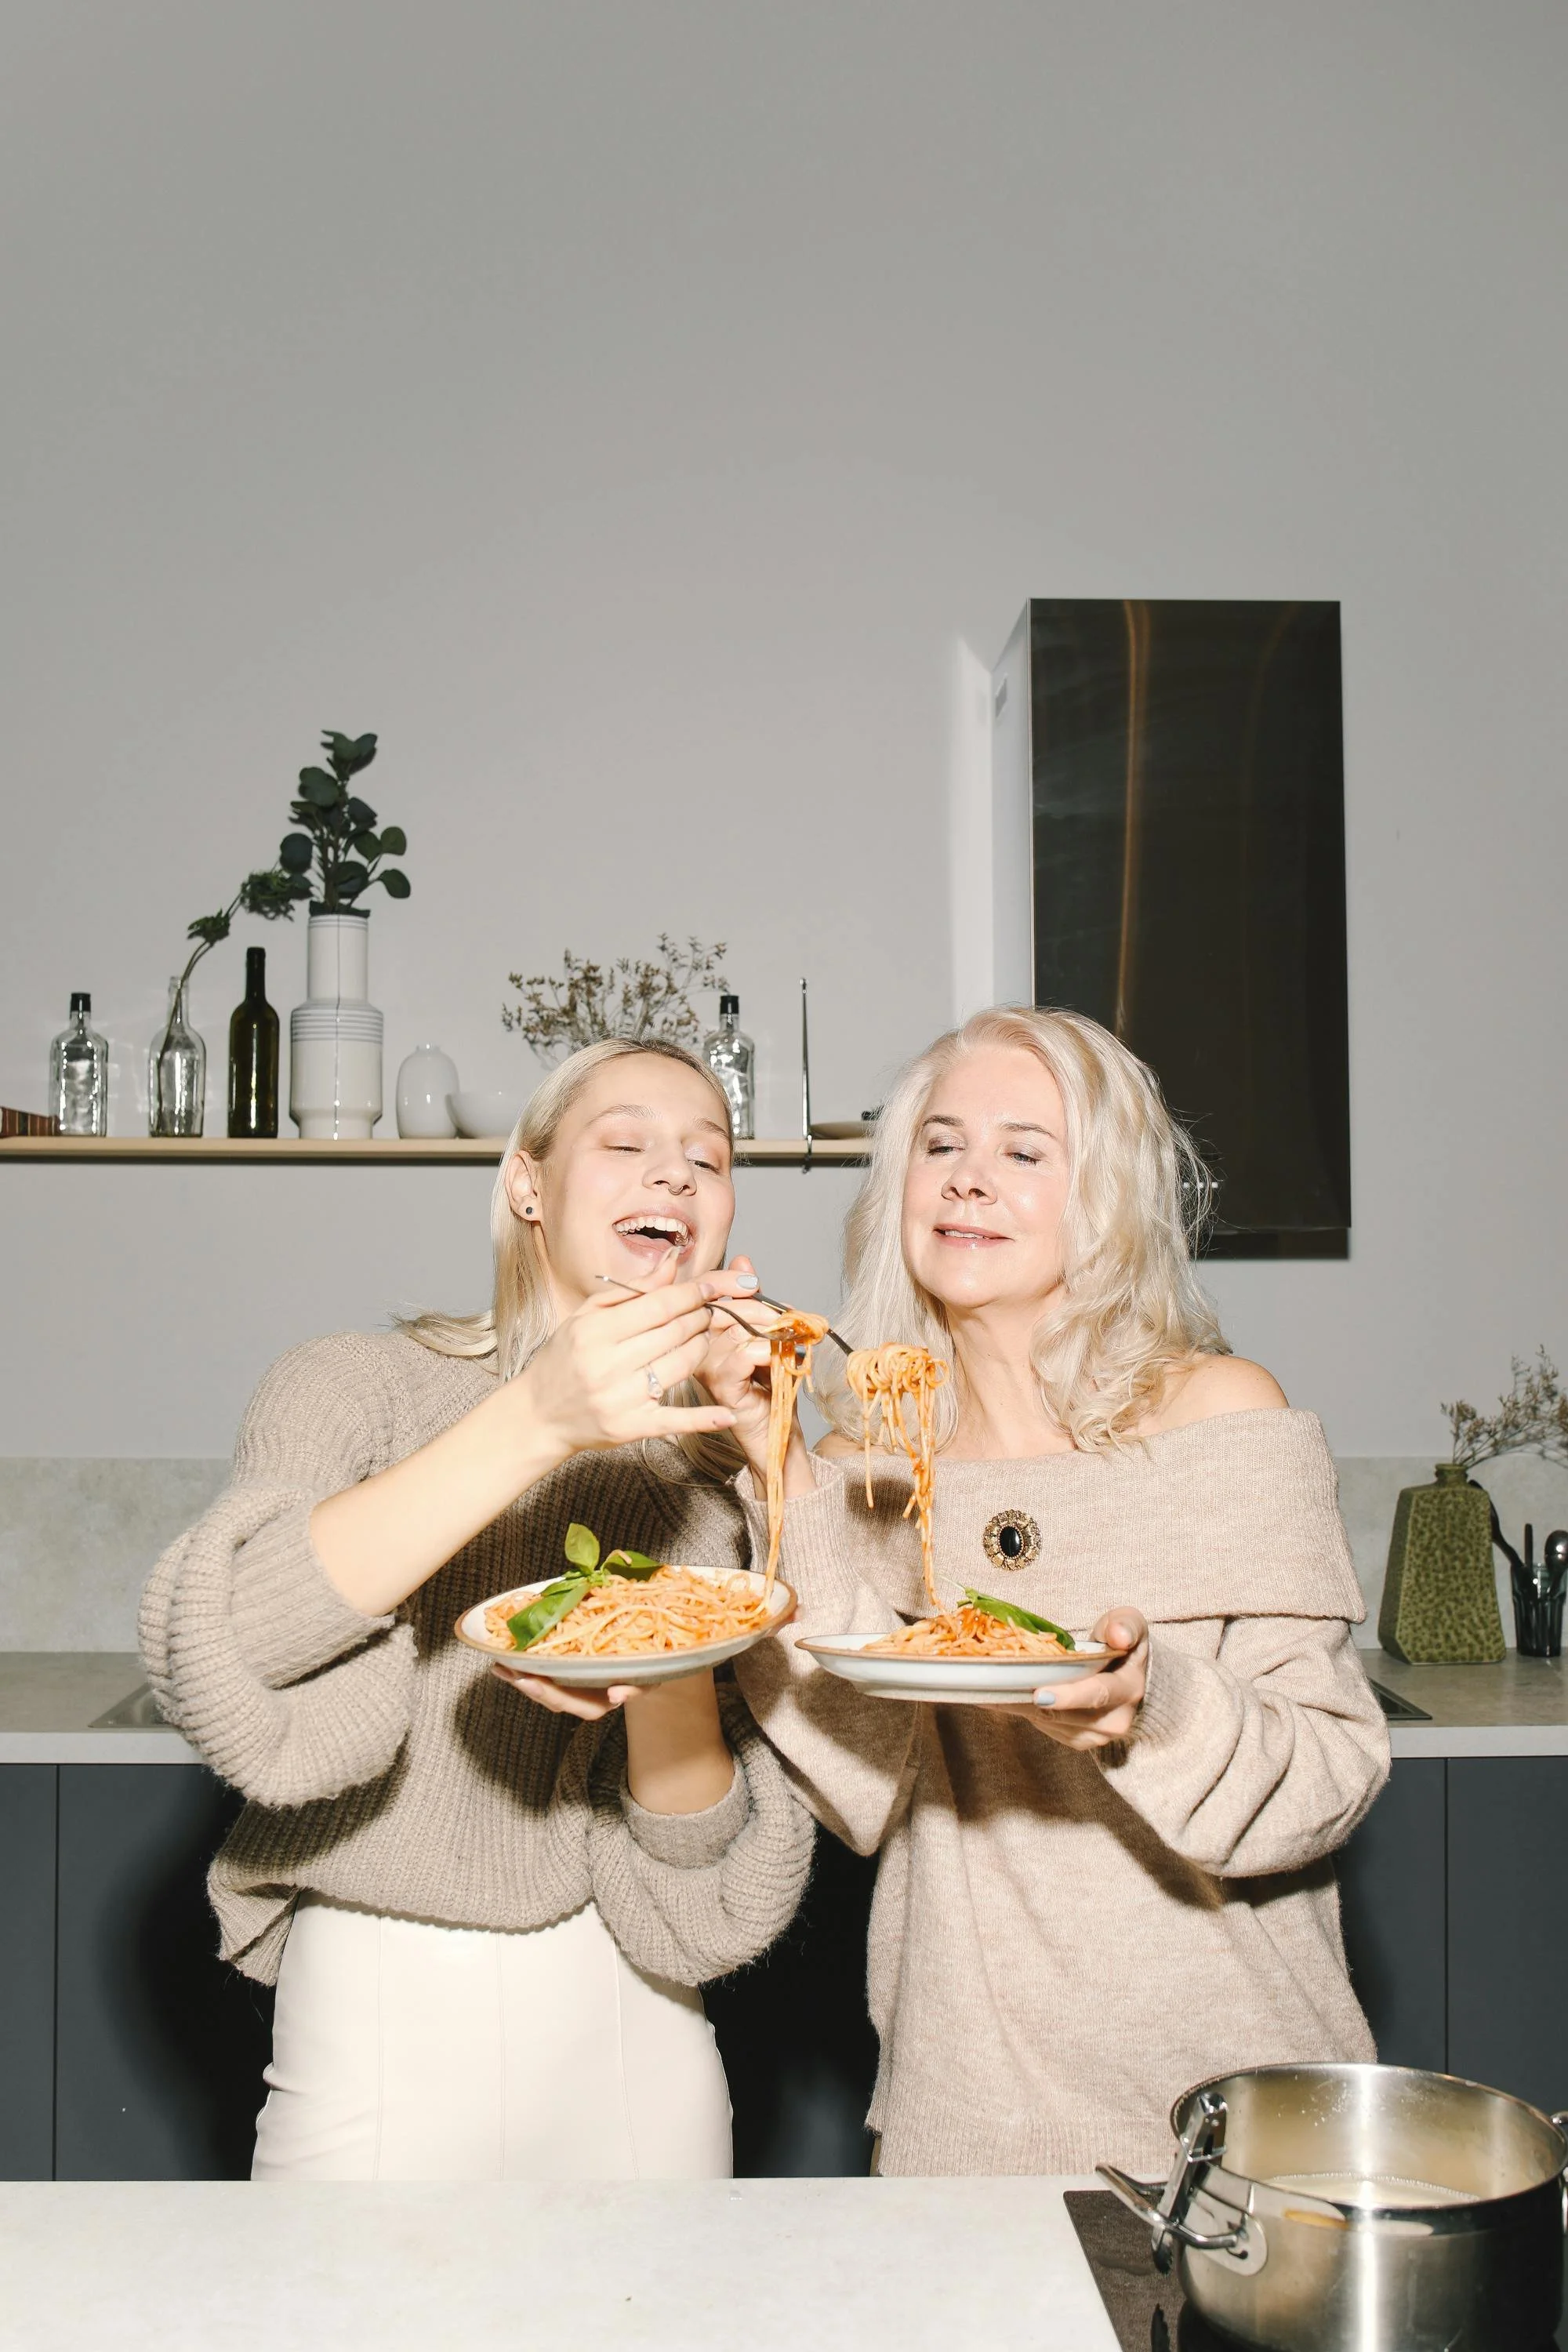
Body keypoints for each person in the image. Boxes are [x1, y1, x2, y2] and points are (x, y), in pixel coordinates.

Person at [714, 1006, 1389, 2179]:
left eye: (1025, 1151)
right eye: (941, 1144)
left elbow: (1329, 1776)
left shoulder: (1221, 1413)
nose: (970, 1180)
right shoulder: (870, 1458)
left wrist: (1153, 1703)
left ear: (1106, 1198)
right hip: (970, 2119)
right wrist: (767, 1459)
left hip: (1240, 2130)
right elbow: (858, 1781)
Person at [140, 1038, 813, 2182]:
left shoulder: (727, 1471)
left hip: (636, 2023)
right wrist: (537, 1417)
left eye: (709, 1157)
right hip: (380, 2014)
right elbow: (225, 1653)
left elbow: (700, 1894)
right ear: (527, 1184)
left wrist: (679, 1647)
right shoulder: (355, 1383)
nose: (677, 1176)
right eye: (627, 1143)